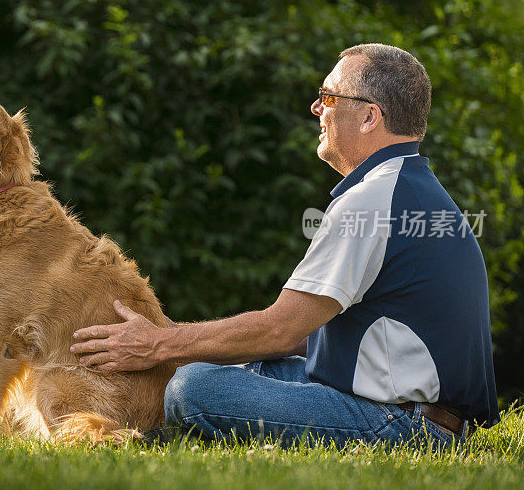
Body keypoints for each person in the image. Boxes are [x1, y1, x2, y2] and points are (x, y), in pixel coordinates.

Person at [69, 43, 499, 447]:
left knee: (194, 386)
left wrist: (159, 343)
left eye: (328, 97)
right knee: (244, 367)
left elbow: (282, 327)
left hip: (402, 425)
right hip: (419, 413)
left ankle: (169, 431)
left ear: (369, 117)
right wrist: (198, 350)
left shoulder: (371, 201)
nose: (316, 108)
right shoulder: (412, 190)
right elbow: (306, 338)